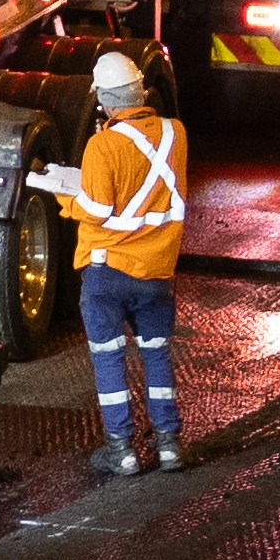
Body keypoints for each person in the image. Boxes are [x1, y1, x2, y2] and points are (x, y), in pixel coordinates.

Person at [63, 46, 192, 472]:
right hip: (156, 270)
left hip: (107, 272)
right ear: (141, 91)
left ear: (103, 101)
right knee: (156, 353)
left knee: (109, 359)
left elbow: (98, 209)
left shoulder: (102, 147)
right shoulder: (177, 134)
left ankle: (121, 451)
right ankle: (169, 443)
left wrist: (67, 199)